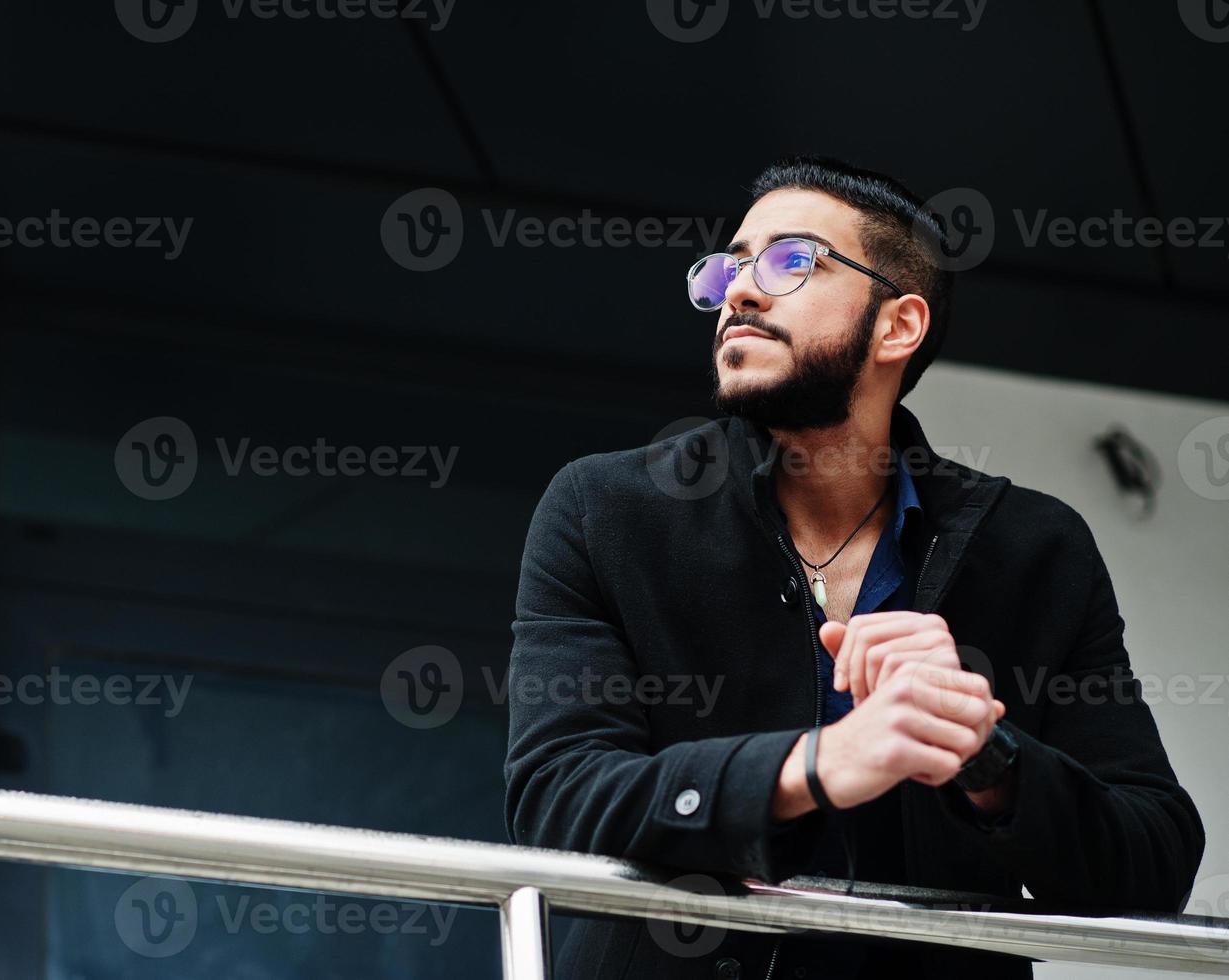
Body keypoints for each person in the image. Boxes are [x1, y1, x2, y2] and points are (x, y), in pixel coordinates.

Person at [502, 156, 1205, 979]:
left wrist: (987, 756)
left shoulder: (1037, 549)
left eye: (788, 261)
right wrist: (815, 765)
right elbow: (557, 799)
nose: (738, 291)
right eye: (728, 266)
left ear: (896, 326)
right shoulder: (604, 507)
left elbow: (1153, 859)